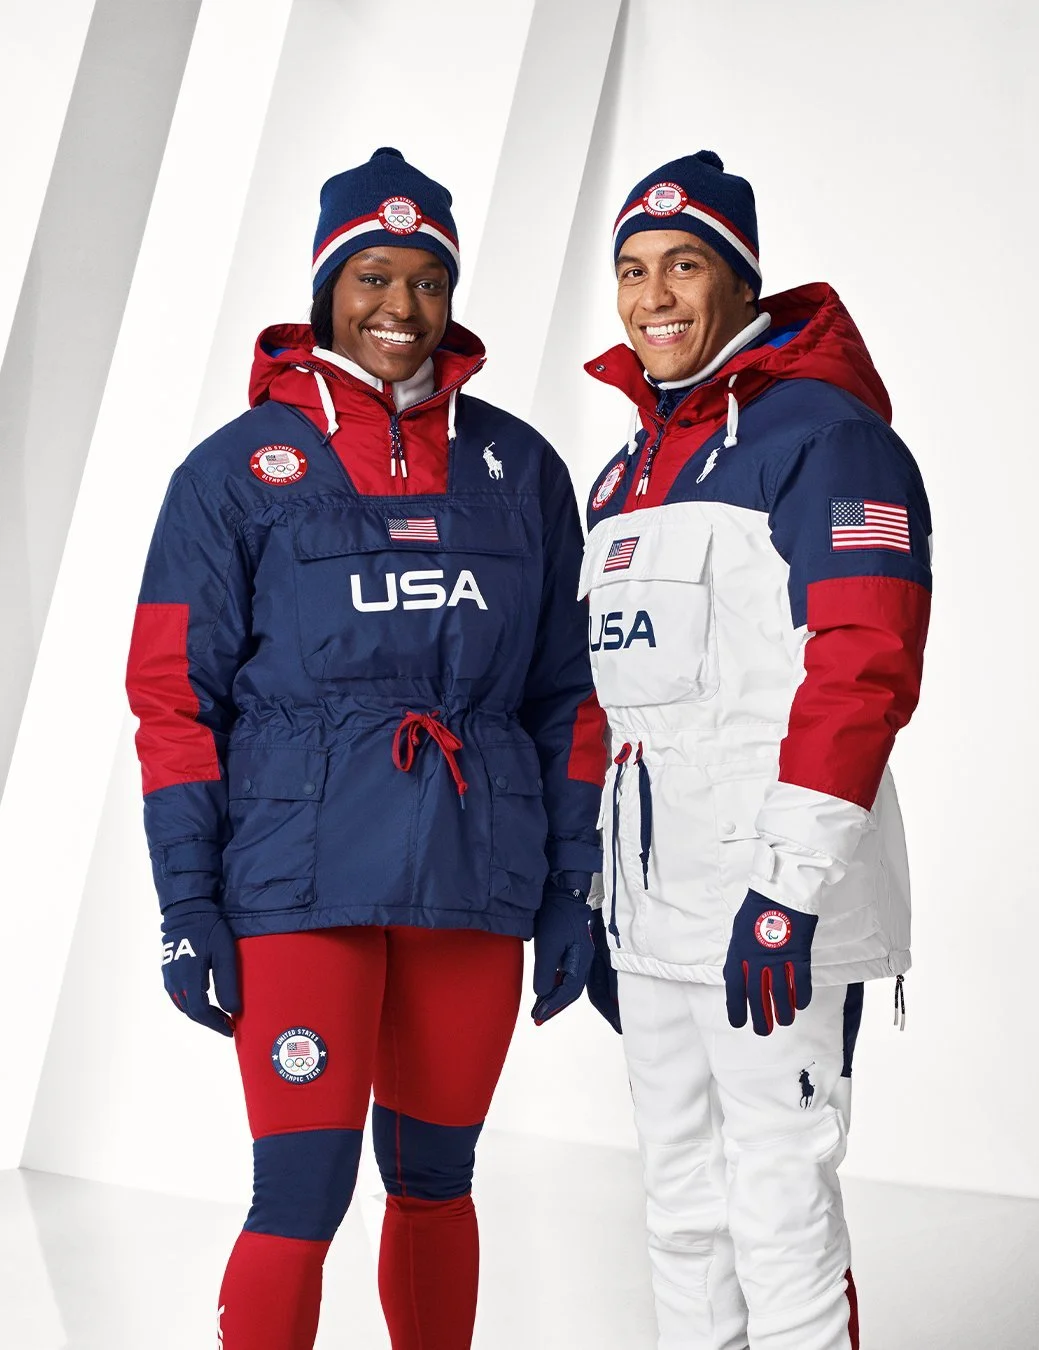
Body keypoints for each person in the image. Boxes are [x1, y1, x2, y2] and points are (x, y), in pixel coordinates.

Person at [125, 146, 606, 1350]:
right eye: (374, 277)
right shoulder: (234, 473)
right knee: (300, 1194)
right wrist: (186, 901)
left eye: (429, 281)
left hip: (475, 878)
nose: (402, 307)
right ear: (326, 287)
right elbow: (172, 701)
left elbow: (568, 696)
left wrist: (572, 885)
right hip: (298, 885)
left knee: (438, 1182)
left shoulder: (521, 469)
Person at [580, 150, 932, 1349]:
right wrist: (593, 889)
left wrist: (786, 894)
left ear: (742, 281)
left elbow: (864, 666)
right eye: (633, 269)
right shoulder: (625, 474)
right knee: (681, 1204)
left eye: (684, 264)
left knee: (779, 1203)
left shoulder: (829, 438)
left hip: (772, 907)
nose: (654, 296)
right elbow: (610, 701)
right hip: (651, 911)